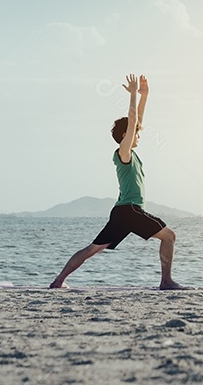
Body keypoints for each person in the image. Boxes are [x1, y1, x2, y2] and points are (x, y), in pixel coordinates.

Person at [49, 74, 183, 290]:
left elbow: (136, 122)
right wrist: (131, 95)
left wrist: (145, 96)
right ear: (124, 135)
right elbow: (132, 122)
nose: (138, 134)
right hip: (130, 211)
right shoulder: (123, 152)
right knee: (169, 236)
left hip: (122, 212)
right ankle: (166, 282)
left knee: (93, 248)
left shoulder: (130, 152)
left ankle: (58, 281)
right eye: (132, 133)